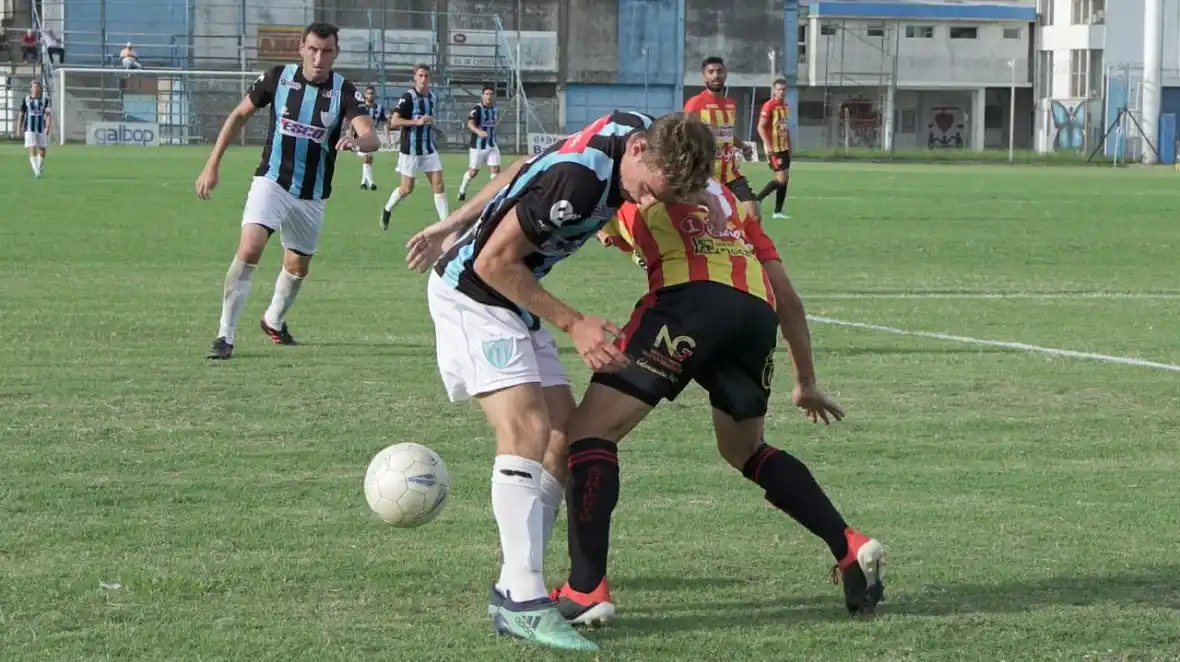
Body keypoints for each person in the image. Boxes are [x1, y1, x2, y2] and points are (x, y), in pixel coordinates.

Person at [404, 110, 717, 652]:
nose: (644, 206)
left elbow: (525, 167)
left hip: (513, 300)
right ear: (639, 151)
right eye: (647, 191)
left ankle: (513, 583)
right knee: (526, 430)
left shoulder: (630, 129)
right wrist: (574, 323)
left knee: (562, 441)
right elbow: (493, 262)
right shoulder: (582, 179)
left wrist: (451, 221)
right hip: (473, 296)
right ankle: (522, 601)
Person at [547, 179, 886, 625]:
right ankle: (849, 546)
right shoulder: (734, 207)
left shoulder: (629, 180)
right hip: (753, 317)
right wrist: (805, 381)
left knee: (590, 431)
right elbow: (788, 299)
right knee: (744, 449)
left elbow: (570, 216)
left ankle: (586, 588)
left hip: (687, 305)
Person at [195, 22, 376, 360]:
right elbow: (238, 116)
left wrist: (356, 139)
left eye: (326, 51)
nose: (319, 57)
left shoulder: (345, 92)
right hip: (272, 181)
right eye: (313, 49)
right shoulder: (278, 78)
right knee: (249, 249)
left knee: (297, 267)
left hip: (312, 194)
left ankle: (273, 320)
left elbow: (371, 136)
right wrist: (212, 164)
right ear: (301, 49)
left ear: (335, 53)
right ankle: (225, 336)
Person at [683, 56, 761, 221]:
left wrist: (742, 146)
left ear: (725, 74)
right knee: (710, 220)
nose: (715, 75)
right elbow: (684, 135)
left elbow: (726, 133)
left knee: (753, 216)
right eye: (711, 72)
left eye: (719, 71)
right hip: (706, 175)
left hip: (732, 173)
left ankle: (745, 247)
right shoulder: (695, 104)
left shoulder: (730, 104)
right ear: (704, 76)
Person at [380, 63, 447, 231]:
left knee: (438, 184)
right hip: (410, 150)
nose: (423, 79)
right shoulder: (408, 97)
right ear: (415, 78)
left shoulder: (432, 97)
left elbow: (427, 120)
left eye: (426, 76)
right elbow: (394, 121)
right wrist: (415, 122)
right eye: (420, 76)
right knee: (407, 188)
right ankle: (387, 209)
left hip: (428, 148)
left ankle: (446, 224)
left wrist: (436, 129)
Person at [756, 78, 792, 220]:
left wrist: (790, 144)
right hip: (774, 149)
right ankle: (757, 199)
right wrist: (768, 145)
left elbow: (784, 127)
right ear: (774, 90)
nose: (782, 92)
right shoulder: (769, 106)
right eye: (779, 89)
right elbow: (760, 126)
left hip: (783, 147)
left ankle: (778, 211)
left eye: (784, 89)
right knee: (781, 179)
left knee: (785, 179)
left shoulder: (784, 106)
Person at [457, 84, 500, 202]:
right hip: (478, 146)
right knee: (473, 172)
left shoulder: (494, 109)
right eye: (486, 94)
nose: (489, 97)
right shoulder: (477, 109)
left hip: (491, 144)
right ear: (482, 96)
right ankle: (462, 190)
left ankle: (494, 195)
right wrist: (479, 131)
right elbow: (470, 124)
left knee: (495, 169)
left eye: (491, 94)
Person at [356, 85, 388, 191]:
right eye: (368, 93)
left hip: (373, 135)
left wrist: (387, 135)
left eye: (372, 93)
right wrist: (350, 135)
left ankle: (363, 182)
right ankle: (371, 182)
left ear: (375, 94)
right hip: (361, 135)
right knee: (366, 158)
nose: (370, 95)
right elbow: (353, 120)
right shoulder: (361, 107)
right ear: (365, 95)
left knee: (369, 160)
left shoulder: (379, 108)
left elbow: (384, 122)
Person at [20, 81, 51, 179]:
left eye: (37, 86)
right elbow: (22, 113)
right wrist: (19, 126)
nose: (35, 88)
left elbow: (48, 115)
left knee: (42, 149)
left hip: (41, 128)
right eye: (33, 86)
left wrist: (47, 127)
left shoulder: (45, 100)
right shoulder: (26, 99)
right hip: (29, 128)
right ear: (30, 89)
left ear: (40, 89)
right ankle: (36, 171)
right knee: (32, 146)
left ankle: (38, 168)